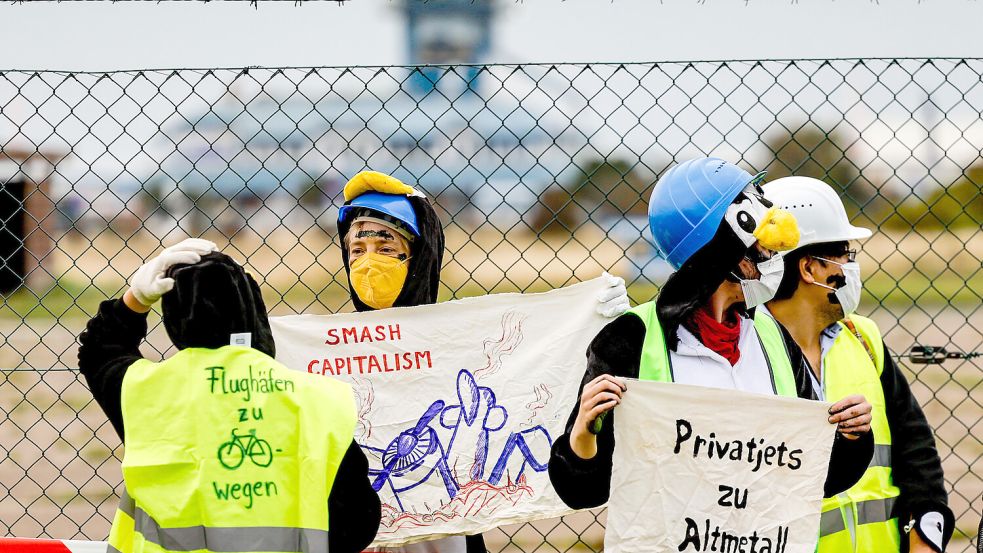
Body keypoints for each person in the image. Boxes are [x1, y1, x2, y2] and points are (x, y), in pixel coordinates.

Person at [548, 157, 876, 512]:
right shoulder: (630, 341)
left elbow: (818, 476)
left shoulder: (773, 338)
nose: (773, 258)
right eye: (761, 247)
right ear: (722, 253)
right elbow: (582, 491)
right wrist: (583, 433)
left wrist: (852, 436)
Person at [335, 170, 630, 553]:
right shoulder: (330, 354)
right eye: (357, 251)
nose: (369, 264)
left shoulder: (459, 343)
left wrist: (597, 322)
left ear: (420, 256)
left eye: (387, 249)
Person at [78, 239, 380, 553]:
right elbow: (358, 523)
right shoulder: (317, 400)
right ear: (255, 312)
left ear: (176, 321)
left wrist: (136, 299)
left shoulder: (147, 391)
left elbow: (99, 351)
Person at [763, 176, 954, 553]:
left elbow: (916, 449)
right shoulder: (747, 352)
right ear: (810, 268)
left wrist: (925, 539)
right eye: (845, 255)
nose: (851, 266)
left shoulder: (863, 338)